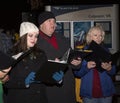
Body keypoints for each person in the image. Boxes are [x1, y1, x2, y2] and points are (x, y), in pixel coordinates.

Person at [4, 22, 63, 103]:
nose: (34, 39)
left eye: (36, 36)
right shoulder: (11, 54)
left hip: (39, 99)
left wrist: (56, 78)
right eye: (30, 35)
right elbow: (5, 82)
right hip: (20, 98)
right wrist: (24, 82)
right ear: (23, 36)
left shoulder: (41, 54)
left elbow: (45, 76)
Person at [37, 11, 81, 103]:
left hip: (68, 85)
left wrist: (76, 62)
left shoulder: (62, 39)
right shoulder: (35, 42)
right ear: (41, 24)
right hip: (50, 89)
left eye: (54, 21)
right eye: (49, 21)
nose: (53, 24)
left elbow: (71, 56)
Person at [74, 26, 116, 103]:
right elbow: (77, 73)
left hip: (106, 93)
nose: (98, 38)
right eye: (95, 35)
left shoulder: (106, 51)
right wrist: (86, 67)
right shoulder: (83, 52)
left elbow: (113, 71)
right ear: (89, 36)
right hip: (89, 94)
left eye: (101, 36)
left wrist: (109, 68)